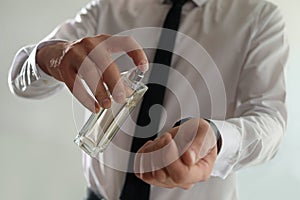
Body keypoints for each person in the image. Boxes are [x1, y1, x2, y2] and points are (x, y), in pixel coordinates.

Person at [8, 0, 289, 199]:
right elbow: (20, 79)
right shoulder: (111, 6)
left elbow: (270, 120)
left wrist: (217, 138)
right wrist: (53, 56)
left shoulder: (258, 18)